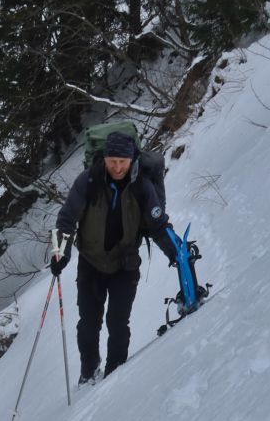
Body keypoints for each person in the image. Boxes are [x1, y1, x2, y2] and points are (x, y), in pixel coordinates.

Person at [51, 130, 179, 384]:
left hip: (125, 264)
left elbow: (158, 224)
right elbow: (66, 218)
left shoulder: (142, 186)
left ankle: (114, 377)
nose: (117, 167)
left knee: (118, 323)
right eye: (112, 161)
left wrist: (176, 253)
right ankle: (88, 374)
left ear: (132, 160)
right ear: (104, 159)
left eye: (123, 161)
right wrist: (59, 252)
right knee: (88, 325)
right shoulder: (87, 181)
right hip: (90, 264)